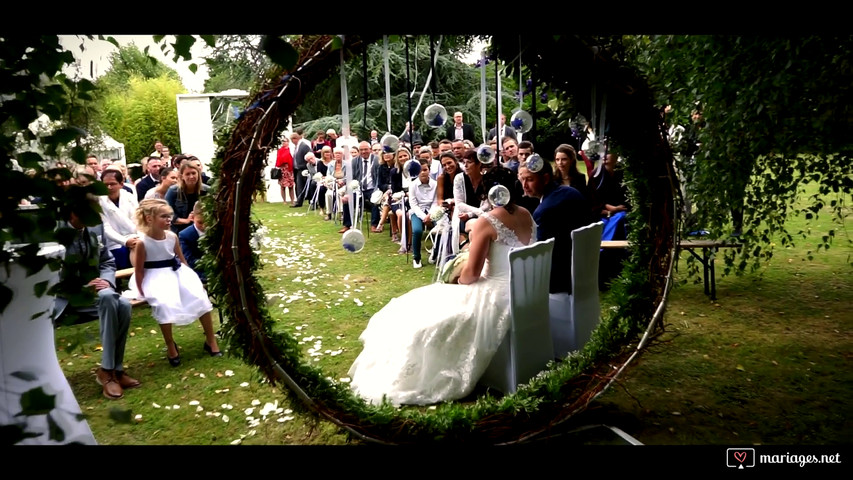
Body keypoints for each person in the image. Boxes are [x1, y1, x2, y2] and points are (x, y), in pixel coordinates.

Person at [347, 166, 536, 406]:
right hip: (524, 291)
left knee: (427, 317)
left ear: (489, 193)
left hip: (497, 297)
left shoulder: (487, 222)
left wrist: (458, 276)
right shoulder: (526, 214)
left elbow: (470, 275)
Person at [53, 200, 138, 399]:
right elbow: (47, 274)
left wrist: (107, 281)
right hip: (64, 300)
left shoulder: (95, 226)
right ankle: (108, 371)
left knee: (123, 304)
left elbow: (107, 261)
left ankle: (112, 371)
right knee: (111, 299)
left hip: (96, 296)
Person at [130, 199, 221, 367]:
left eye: (169, 216)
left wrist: (191, 279)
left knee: (200, 298)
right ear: (149, 219)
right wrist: (140, 290)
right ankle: (170, 344)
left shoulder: (172, 236)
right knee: (163, 303)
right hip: (155, 276)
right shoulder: (143, 242)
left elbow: (183, 260)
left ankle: (210, 340)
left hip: (176, 272)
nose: (168, 220)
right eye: (164, 216)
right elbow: (140, 270)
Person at [518, 159, 593, 294]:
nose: (524, 185)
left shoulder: (543, 211)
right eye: (521, 179)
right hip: (583, 268)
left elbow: (539, 254)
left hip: (559, 281)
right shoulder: (570, 192)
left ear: (545, 178)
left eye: (529, 179)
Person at [98, 169, 140, 270]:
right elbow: (105, 228)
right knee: (121, 252)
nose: (109, 187)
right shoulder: (98, 201)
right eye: (106, 184)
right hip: (112, 242)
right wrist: (125, 241)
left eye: (112, 184)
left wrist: (136, 238)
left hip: (134, 237)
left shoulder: (129, 197)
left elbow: (137, 220)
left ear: (121, 184)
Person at [407, 160, 437, 269]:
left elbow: (435, 201)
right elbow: (413, 204)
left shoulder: (435, 184)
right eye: (420, 170)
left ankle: (436, 252)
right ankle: (416, 257)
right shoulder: (413, 185)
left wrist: (430, 215)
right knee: (417, 230)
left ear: (429, 170)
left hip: (432, 210)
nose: (423, 173)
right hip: (417, 211)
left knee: (440, 228)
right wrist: (424, 217)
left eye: (425, 170)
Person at [165, 163, 210, 234]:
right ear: (182, 176)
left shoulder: (207, 190)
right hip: (179, 230)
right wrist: (186, 220)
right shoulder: (173, 191)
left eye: (193, 173)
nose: (191, 176)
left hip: (202, 229)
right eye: (187, 174)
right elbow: (167, 213)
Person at [179, 201, 206, 282]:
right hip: (197, 271)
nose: (204, 226)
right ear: (192, 217)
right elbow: (189, 259)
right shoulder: (185, 235)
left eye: (206, 221)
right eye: (200, 222)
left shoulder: (216, 230)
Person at [290, 130, 312, 207]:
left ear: (295, 139)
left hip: (304, 169)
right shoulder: (297, 147)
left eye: (292, 140)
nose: (292, 142)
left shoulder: (304, 146)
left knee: (307, 185)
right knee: (299, 186)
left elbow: (309, 156)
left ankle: (311, 201)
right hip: (298, 169)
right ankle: (299, 202)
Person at [276, 138, 296, 206]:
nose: (284, 142)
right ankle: (284, 200)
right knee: (282, 186)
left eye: (285, 141)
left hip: (289, 169)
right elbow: (278, 159)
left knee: (291, 186)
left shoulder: (291, 149)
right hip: (283, 169)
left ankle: (292, 200)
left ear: (288, 142)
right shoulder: (280, 150)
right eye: (283, 141)